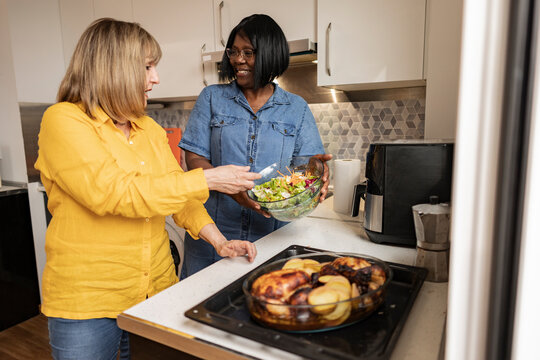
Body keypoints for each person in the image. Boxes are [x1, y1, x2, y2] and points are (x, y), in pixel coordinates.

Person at [34, 18, 259, 360]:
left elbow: (177, 196)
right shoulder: (63, 120)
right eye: (148, 67)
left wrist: (220, 242)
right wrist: (209, 179)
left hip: (155, 293)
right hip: (88, 302)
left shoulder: (149, 128)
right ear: (114, 68)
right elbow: (113, 193)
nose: (156, 78)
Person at [179, 14, 332, 279]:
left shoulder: (296, 108)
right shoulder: (212, 98)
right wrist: (232, 189)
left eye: (248, 52)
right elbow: (194, 159)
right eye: (234, 52)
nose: (238, 60)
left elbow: (305, 169)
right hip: (212, 237)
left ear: (270, 55)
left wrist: (318, 171)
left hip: (270, 239)